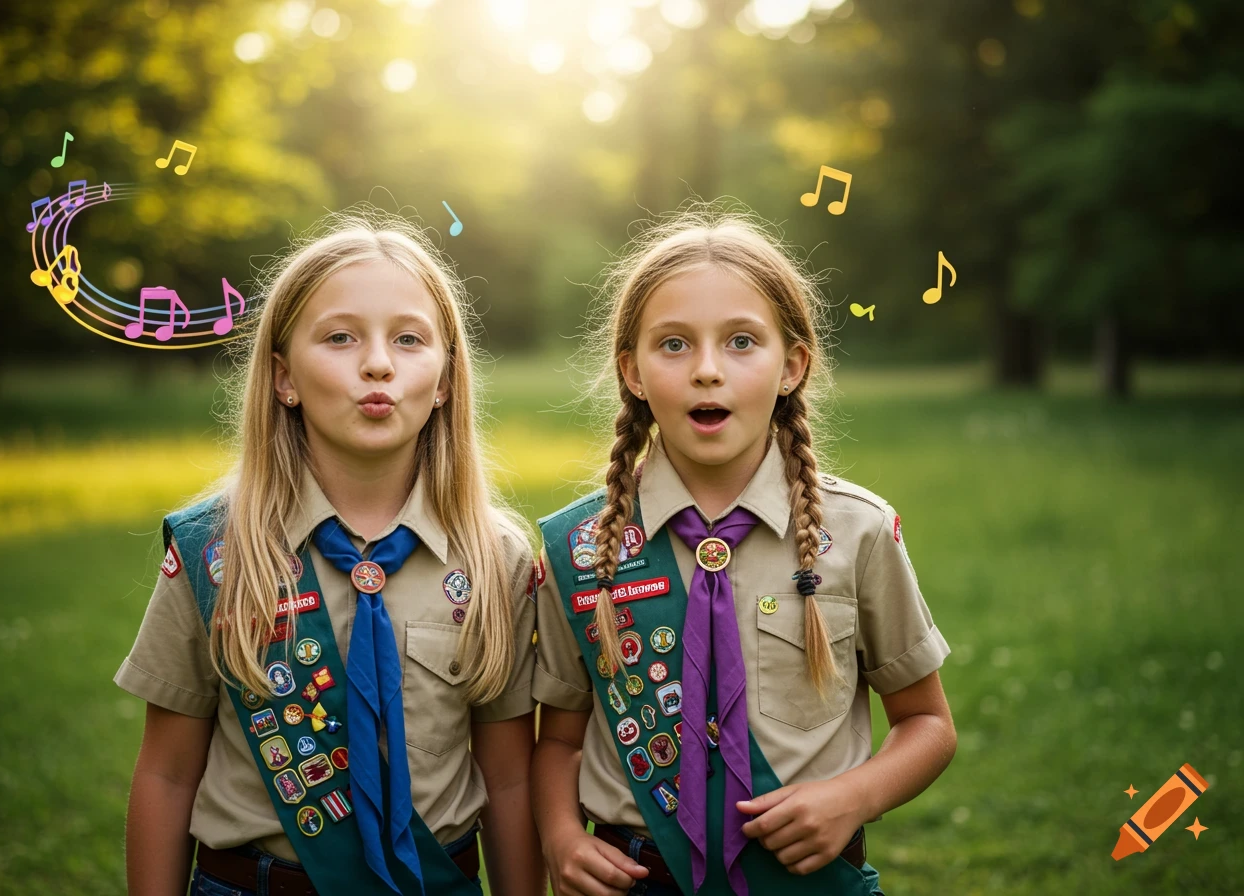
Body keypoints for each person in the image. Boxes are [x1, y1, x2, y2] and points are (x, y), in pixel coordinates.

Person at [531, 204, 957, 896]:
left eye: (740, 342)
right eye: (673, 345)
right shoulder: (581, 550)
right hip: (638, 876)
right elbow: (558, 741)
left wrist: (856, 796)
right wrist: (560, 834)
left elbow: (928, 724)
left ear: (792, 366)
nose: (706, 370)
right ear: (632, 371)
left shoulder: (858, 532)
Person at [116, 212, 544, 896]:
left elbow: (511, 775)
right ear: (284, 378)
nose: (377, 362)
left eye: (408, 339)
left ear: (443, 382)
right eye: (341, 337)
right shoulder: (215, 552)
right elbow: (166, 773)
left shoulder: (497, 556)